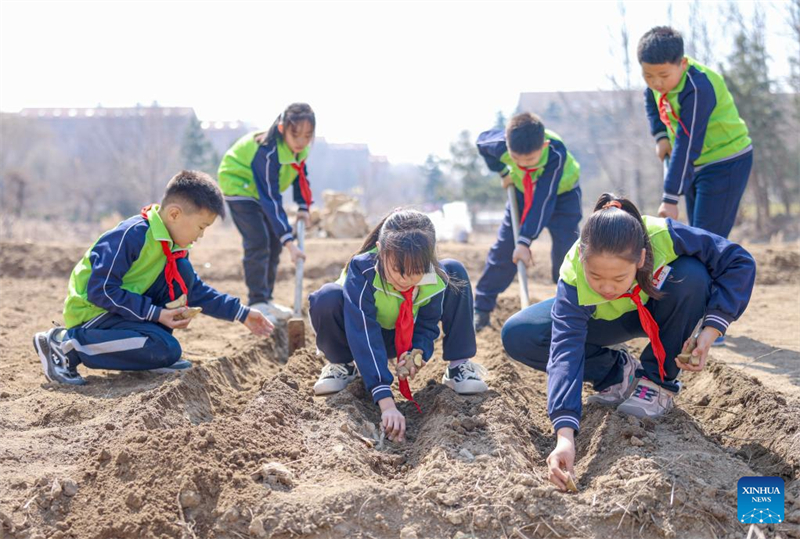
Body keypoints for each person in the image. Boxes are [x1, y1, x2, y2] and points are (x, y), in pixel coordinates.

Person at [501, 193, 755, 491]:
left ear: (642, 259)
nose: (607, 287)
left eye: (619, 277)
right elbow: (564, 354)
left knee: (693, 275)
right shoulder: (573, 275)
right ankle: (618, 374)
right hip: (606, 321)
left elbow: (738, 261)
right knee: (519, 334)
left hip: (661, 307)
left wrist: (712, 328)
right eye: (596, 276)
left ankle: (658, 382)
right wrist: (565, 437)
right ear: (582, 258)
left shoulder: (663, 236)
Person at [33, 171, 274, 385]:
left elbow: (194, 290)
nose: (201, 236)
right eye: (201, 227)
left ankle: (148, 352)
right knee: (165, 348)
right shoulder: (132, 235)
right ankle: (66, 345)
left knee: (183, 273)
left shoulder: (171, 247)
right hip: (92, 314)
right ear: (175, 214)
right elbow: (102, 290)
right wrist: (156, 314)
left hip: (120, 312)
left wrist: (241, 313)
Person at [308, 209, 488, 442]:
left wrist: (419, 350)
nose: (405, 280)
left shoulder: (432, 274)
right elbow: (363, 331)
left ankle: (459, 367)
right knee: (327, 297)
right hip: (358, 337)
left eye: (415, 272)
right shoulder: (362, 270)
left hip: (404, 333)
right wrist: (386, 401)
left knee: (454, 271)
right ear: (381, 253)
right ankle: (342, 365)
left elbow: (428, 322)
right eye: (398, 270)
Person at [639, 26, 752, 239]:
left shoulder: (698, 87)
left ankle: (731, 271)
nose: (656, 83)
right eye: (648, 76)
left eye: (663, 75)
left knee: (705, 239)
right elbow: (651, 101)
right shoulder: (656, 83)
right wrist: (660, 135)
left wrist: (670, 198)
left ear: (682, 64)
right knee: (697, 235)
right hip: (695, 163)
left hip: (725, 161)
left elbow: (687, 142)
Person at [473, 112, 582, 331]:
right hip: (523, 191)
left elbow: (544, 199)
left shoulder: (554, 153)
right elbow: (481, 143)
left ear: (544, 145)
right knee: (504, 249)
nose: (523, 164)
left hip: (562, 195)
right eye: (516, 159)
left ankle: (569, 308)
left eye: (530, 160)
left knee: (566, 251)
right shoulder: (499, 144)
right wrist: (503, 171)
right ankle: (481, 308)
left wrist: (524, 241)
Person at [217, 103, 315, 321]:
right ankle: (257, 301)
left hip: (261, 191)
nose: (301, 141)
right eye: (295, 134)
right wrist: (290, 242)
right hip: (239, 186)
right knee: (259, 241)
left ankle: (267, 299)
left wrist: (303, 206)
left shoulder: (300, 150)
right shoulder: (268, 151)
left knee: (273, 240)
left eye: (308, 135)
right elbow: (271, 199)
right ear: (282, 130)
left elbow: (300, 175)